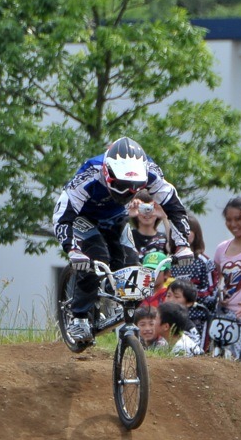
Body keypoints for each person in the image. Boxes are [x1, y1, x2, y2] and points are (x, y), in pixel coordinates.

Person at [53, 137, 193, 344]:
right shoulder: (90, 173)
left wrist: (182, 246)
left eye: (133, 187)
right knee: (96, 256)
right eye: (121, 185)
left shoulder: (151, 171)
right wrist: (72, 249)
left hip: (116, 219)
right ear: (108, 173)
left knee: (131, 264)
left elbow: (174, 207)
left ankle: (113, 302)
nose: (127, 191)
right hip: (83, 218)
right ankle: (79, 317)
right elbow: (62, 214)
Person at [170, 214, 217, 330]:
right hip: (173, 320)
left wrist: (186, 298)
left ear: (196, 234)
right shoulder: (170, 262)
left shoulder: (204, 262)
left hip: (198, 320)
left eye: (188, 230)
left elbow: (212, 293)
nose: (185, 234)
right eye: (180, 230)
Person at [129, 191, 169, 257]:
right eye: (142, 208)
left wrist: (164, 217)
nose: (147, 212)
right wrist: (128, 214)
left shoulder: (163, 239)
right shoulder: (128, 236)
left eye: (151, 208)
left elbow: (172, 248)